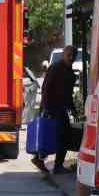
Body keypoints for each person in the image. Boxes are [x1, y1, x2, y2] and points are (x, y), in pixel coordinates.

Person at [32, 45, 77, 174]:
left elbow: (68, 94)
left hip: (61, 108)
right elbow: (46, 88)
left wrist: (73, 108)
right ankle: (54, 165)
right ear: (64, 55)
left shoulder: (70, 72)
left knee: (59, 135)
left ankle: (41, 159)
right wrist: (46, 107)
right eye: (68, 55)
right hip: (52, 107)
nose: (71, 58)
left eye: (73, 56)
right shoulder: (56, 68)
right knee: (59, 135)